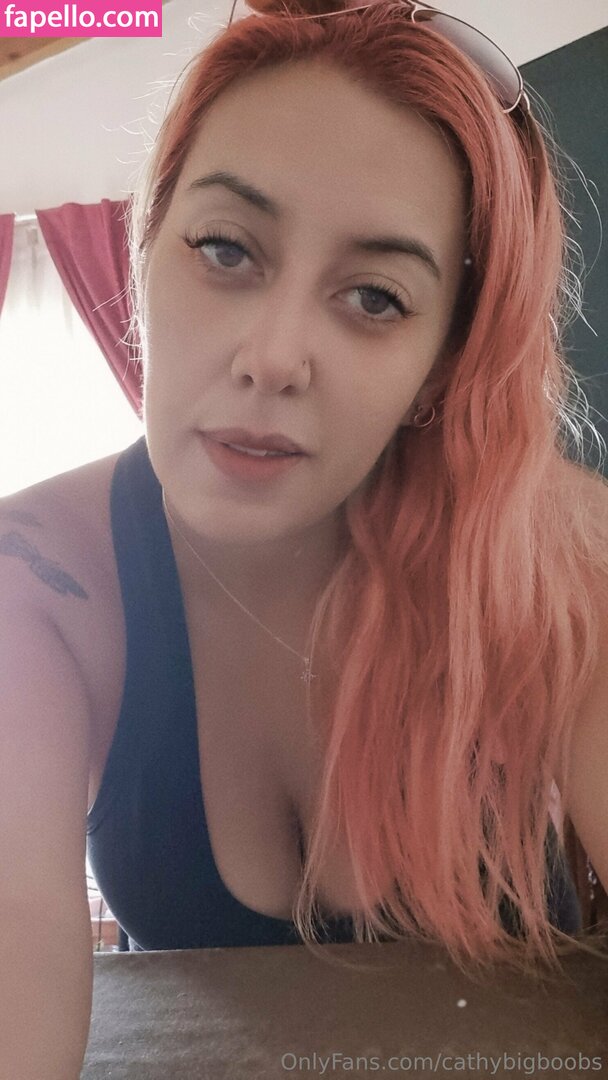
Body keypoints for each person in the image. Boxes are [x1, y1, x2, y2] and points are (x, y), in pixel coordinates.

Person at [2, 0, 608, 1073]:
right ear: (145, 251)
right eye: (225, 248)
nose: (273, 355)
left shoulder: (562, 557)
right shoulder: (38, 583)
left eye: (374, 296)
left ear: (441, 363)